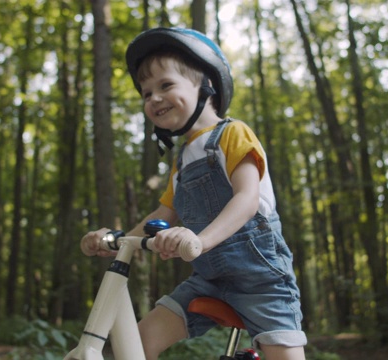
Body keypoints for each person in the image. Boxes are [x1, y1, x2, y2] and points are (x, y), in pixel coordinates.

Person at [80, 27, 307, 360]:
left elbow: (246, 200)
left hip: (261, 279)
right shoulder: (183, 161)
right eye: (146, 93)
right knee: (135, 344)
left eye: (166, 85)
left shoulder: (233, 133)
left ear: (206, 87)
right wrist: (115, 241)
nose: (154, 98)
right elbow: (161, 217)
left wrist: (200, 239)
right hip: (209, 279)